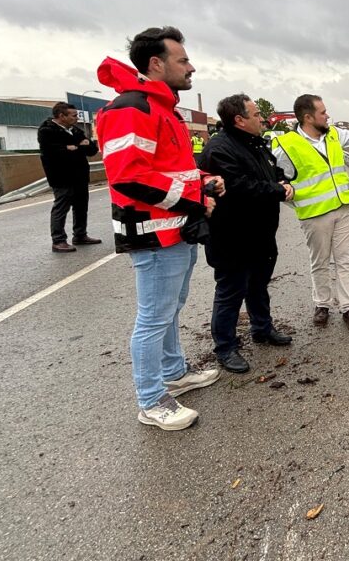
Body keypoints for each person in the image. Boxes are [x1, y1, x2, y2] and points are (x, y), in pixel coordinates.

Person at [95, 26, 225, 431]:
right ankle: (151, 400)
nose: (191, 67)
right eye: (183, 60)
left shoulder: (161, 109)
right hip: (154, 234)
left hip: (177, 229)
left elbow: (167, 169)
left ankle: (174, 372)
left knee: (170, 309)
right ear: (156, 63)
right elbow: (129, 177)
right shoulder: (132, 108)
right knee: (153, 317)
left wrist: (202, 181)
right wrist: (194, 200)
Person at [273, 94, 349, 331]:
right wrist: (300, 205)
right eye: (323, 112)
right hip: (315, 215)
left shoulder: (333, 135)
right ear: (308, 117)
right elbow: (280, 184)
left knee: (345, 260)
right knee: (319, 262)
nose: (328, 115)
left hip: (343, 209)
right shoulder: (287, 145)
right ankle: (322, 304)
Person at [198, 94, 293, 373]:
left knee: (258, 285)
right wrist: (277, 190)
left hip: (261, 232)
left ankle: (262, 328)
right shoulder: (219, 148)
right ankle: (226, 347)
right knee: (230, 291)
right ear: (239, 120)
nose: (261, 119)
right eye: (255, 115)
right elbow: (240, 186)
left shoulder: (256, 144)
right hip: (232, 236)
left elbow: (271, 171)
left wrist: (283, 182)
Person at [38, 102, 101, 252]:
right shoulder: (47, 131)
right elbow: (54, 153)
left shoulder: (75, 130)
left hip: (80, 175)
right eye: (74, 115)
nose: (77, 118)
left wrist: (75, 147)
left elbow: (92, 150)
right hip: (61, 176)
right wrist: (76, 147)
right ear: (62, 116)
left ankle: (80, 235)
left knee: (81, 207)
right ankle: (58, 240)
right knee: (61, 208)